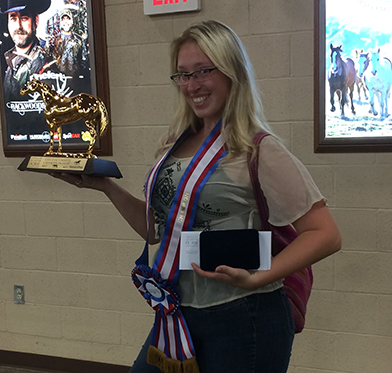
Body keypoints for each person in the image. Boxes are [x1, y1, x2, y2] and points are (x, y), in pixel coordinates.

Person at [51, 20, 342, 373]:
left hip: (245, 313)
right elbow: (157, 231)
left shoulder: (259, 149)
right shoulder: (174, 143)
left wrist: (258, 276)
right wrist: (106, 187)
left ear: (232, 72)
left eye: (203, 71)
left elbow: (325, 234)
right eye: (183, 75)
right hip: (178, 311)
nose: (192, 85)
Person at [0, 0, 52, 101]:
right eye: (13, 18)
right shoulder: (6, 59)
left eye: (24, 18)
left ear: (36, 20)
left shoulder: (46, 59)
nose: (18, 26)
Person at [45, 8, 88, 77]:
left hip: (76, 78)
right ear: (60, 22)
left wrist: (81, 73)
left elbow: (84, 59)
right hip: (58, 79)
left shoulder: (79, 39)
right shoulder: (54, 39)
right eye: (63, 19)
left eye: (68, 19)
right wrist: (47, 45)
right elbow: (47, 57)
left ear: (72, 21)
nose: (65, 22)